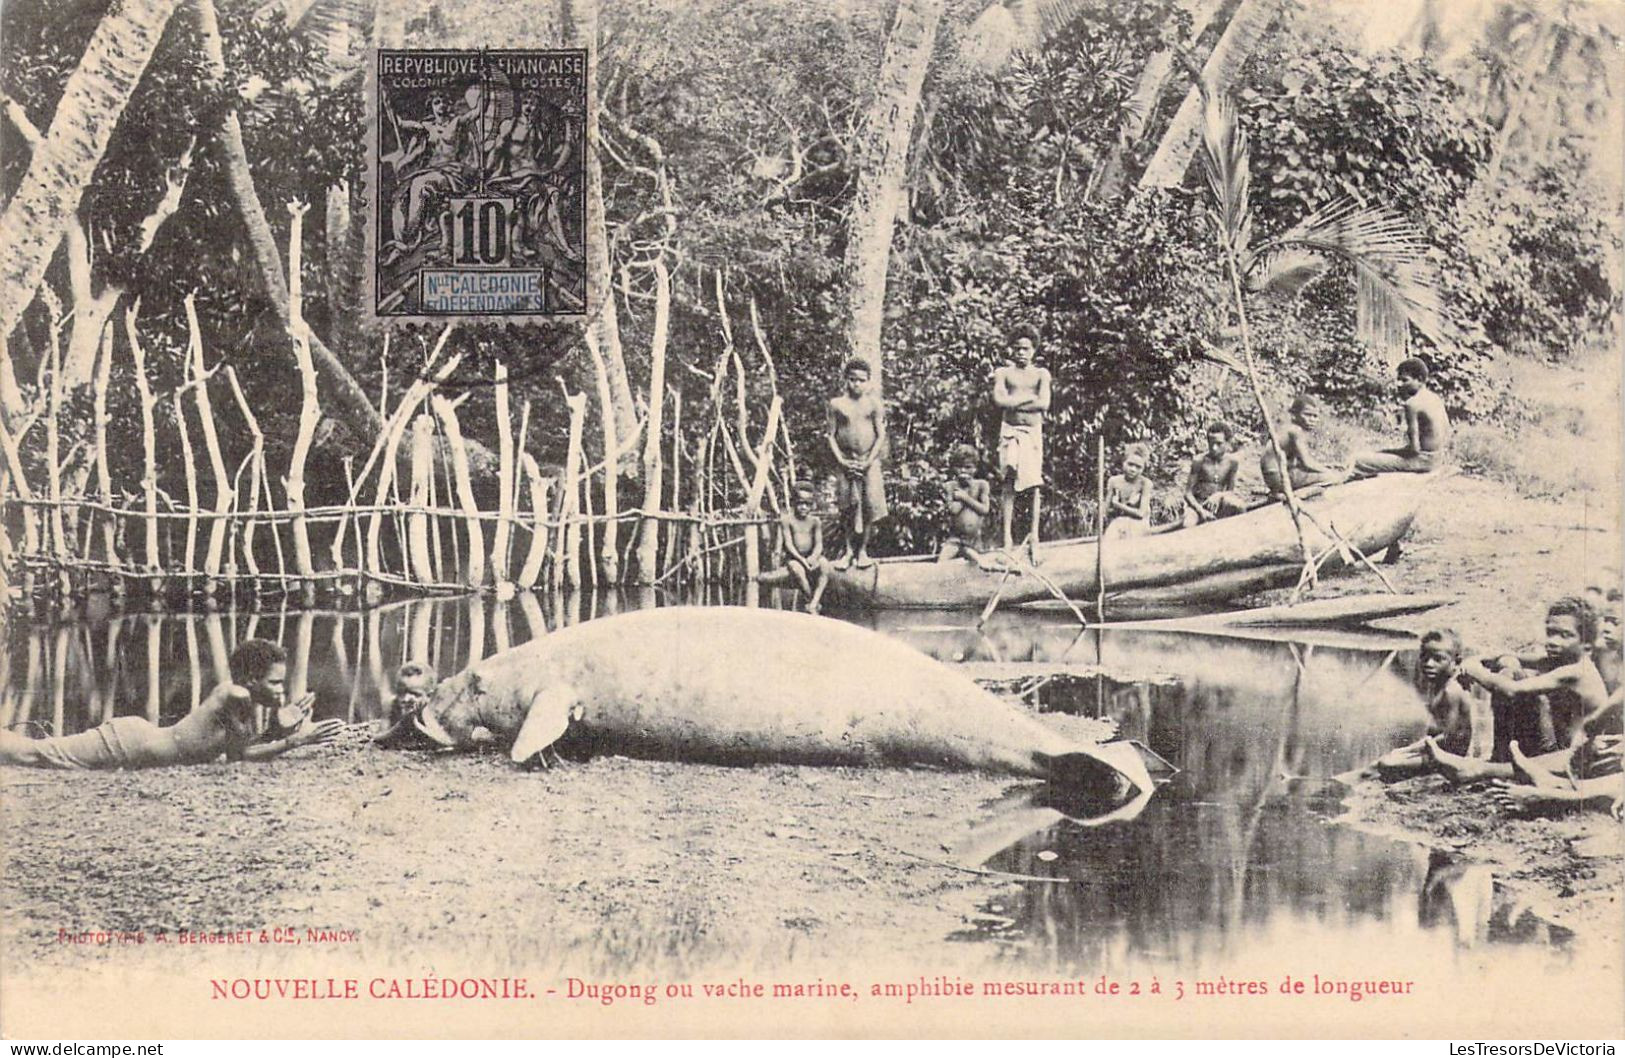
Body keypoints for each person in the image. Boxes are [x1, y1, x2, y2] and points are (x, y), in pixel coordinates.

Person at [0, 639, 343, 770]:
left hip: (136, 741)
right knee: (32, 753)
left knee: (37, 751)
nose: (282, 691)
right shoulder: (236, 696)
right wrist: (294, 741)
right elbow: (240, 757)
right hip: (128, 744)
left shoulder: (240, 699)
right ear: (252, 680)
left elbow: (237, 750)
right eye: (275, 682)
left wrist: (277, 730)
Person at [1426, 597, 1609, 784]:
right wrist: (1481, 662)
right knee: (1511, 669)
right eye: (1550, 633)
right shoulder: (1558, 661)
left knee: (1512, 685)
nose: (1553, 641)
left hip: (1578, 756)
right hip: (1558, 748)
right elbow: (1508, 657)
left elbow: (1513, 691)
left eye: (1565, 635)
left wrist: (1476, 671)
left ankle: (1482, 768)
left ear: (1586, 645)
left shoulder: (1577, 671)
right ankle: (1499, 758)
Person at [1374, 629, 1489, 779]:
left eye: (1438, 659)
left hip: (1450, 756)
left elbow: (1449, 737)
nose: (1429, 664)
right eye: (1424, 657)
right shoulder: (1441, 684)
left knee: (1387, 763)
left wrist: (1407, 751)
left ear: (1456, 661)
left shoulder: (1450, 691)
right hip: (1438, 750)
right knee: (1387, 760)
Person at [992, 326, 1051, 563]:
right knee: (1009, 480)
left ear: (1033, 350)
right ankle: (1007, 538)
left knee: (1034, 485)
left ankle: (1034, 537)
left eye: (1026, 349)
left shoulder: (1041, 374)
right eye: (1017, 348)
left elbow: (1044, 403)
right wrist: (1028, 399)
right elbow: (999, 400)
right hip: (1010, 432)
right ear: (1011, 350)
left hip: (1032, 432)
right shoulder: (1003, 373)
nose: (1021, 353)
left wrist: (1013, 402)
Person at [826, 357, 887, 570]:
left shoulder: (874, 404)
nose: (857, 384)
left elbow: (880, 435)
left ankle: (863, 551)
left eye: (861, 380)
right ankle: (848, 551)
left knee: (869, 505)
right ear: (846, 380)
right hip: (846, 462)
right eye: (852, 379)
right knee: (847, 507)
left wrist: (869, 461)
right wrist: (842, 461)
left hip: (868, 462)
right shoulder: (837, 405)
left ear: (869, 381)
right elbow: (831, 436)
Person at [1352, 358, 1451, 475]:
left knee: (1359, 460)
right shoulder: (1435, 398)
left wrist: (1390, 453)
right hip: (1437, 460)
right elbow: (1447, 434)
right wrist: (1387, 452)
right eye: (1398, 380)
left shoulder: (1412, 404)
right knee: (1378, 453)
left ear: (1419, 380)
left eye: (1405, 380)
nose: (1399, 385)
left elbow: (1414, 450)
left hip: (1421, 463)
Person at [760, 481, 830, 613]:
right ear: (794, 503)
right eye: (800, 503)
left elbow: (819, 544)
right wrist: (802, 560)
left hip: (811, 557)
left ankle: (815, 601)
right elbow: (789, 545)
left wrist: (814, 557)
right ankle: (809, 598)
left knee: (825, 564)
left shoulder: (815, 521)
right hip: (794, 559)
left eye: (807, 504)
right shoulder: (787, 520)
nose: (803, 507)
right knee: (796, 568)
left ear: (812, 505)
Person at [937, 445, 993, 565]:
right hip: (955, 539)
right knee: (941, 563)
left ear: (975, 469)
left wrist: (966, 496)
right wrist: (964, 494)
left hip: (974, 540)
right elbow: (953, 510)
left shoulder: (981, 485)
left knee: (979, 564)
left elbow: (985, 509)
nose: (963, 471)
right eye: (959, 467)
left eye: (968, 467)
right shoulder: (950, 486)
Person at [1182, 422, 1245, 528]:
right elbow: (1188, 493)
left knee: (1240, 507)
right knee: (1187, 525)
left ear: (1228, 442)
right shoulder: (1199, 461)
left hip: (1219, 503)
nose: (1214, 448)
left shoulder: (1232, 462)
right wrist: (1201, 511)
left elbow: (1231, 491)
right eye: (1211, 443)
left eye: (1219, 443)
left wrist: (1219, 495)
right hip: (1199, 504)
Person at [1280, 395, 1348, 490]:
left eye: (1315, 416)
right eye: (1307, 415)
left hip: (1277, 477)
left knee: (1328, 473)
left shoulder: (1289, 428)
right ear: (1294, 415)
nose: (1312, 420)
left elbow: (1297, 461)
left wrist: (1326, 466)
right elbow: (1307, 463)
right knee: (1335, 477)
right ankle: (1301, 494)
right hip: (1280, 479)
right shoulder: (1295, 431)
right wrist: (1329, 471)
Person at [1104, 442, 1153, 539]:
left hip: (1138, 524)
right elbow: (1106, 511)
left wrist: (1118, 505)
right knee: (1112, 533)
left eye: (1138, 467)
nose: (1133, 469)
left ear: (1143, 468)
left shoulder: (1145, 484)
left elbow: (1141, 514)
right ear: (1123, 463)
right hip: (1119, 523)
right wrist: (1113, 508)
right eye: (1130, 464)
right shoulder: (1114, 481)